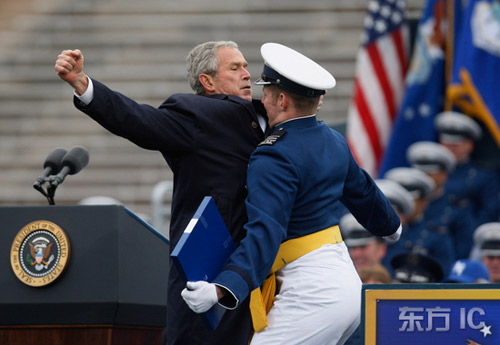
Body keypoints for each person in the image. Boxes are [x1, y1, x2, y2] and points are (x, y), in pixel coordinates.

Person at [180, 42, 401, 345]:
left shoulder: (273, 156)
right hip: (346, 284)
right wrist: (392, 226)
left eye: (267, 93)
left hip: (312, 293)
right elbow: (363, 192)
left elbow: (266, 232)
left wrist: (222, 287)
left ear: (282, 100)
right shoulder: (333, 139)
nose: (262, 99)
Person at [55, 41, 269, 345]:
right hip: (209, 266)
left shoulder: (269, 116)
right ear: (207, 81)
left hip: (262, 265)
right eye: (235, 68)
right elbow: (138, 120)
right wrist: (83, 84)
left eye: (246, 66)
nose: (247, 74)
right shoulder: (196, 115)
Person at [407, 141, 476, 260]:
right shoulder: (405, 207)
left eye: (429, 174)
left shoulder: (456, 209)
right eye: (420, 173)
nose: (423, 179)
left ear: (444, 175)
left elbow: (463, 250)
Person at [383, 167, 454, 275]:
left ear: (424, 202)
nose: (405, 205)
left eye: (411, 200)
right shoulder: (381, 233)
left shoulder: (435, 236)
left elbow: (442, 276)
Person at [435, 111, 500, 228]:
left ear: (470, 145)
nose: (450, 149)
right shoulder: (430, 173)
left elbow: (489, 213)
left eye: (455, 145)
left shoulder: (484, 176)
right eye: (447, 143)